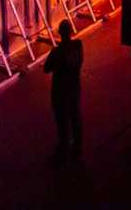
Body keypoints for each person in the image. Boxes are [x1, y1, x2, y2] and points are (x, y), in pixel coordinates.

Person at [43, 19, 83, 160]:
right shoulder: (78, 46)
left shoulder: (57, 52)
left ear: (60, 33)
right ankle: (77, 146)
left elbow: (46, 68)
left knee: (62, 121)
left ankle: (63, 150)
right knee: (75, 117)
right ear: (71, 32)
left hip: (60, 91)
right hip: (74, 88)